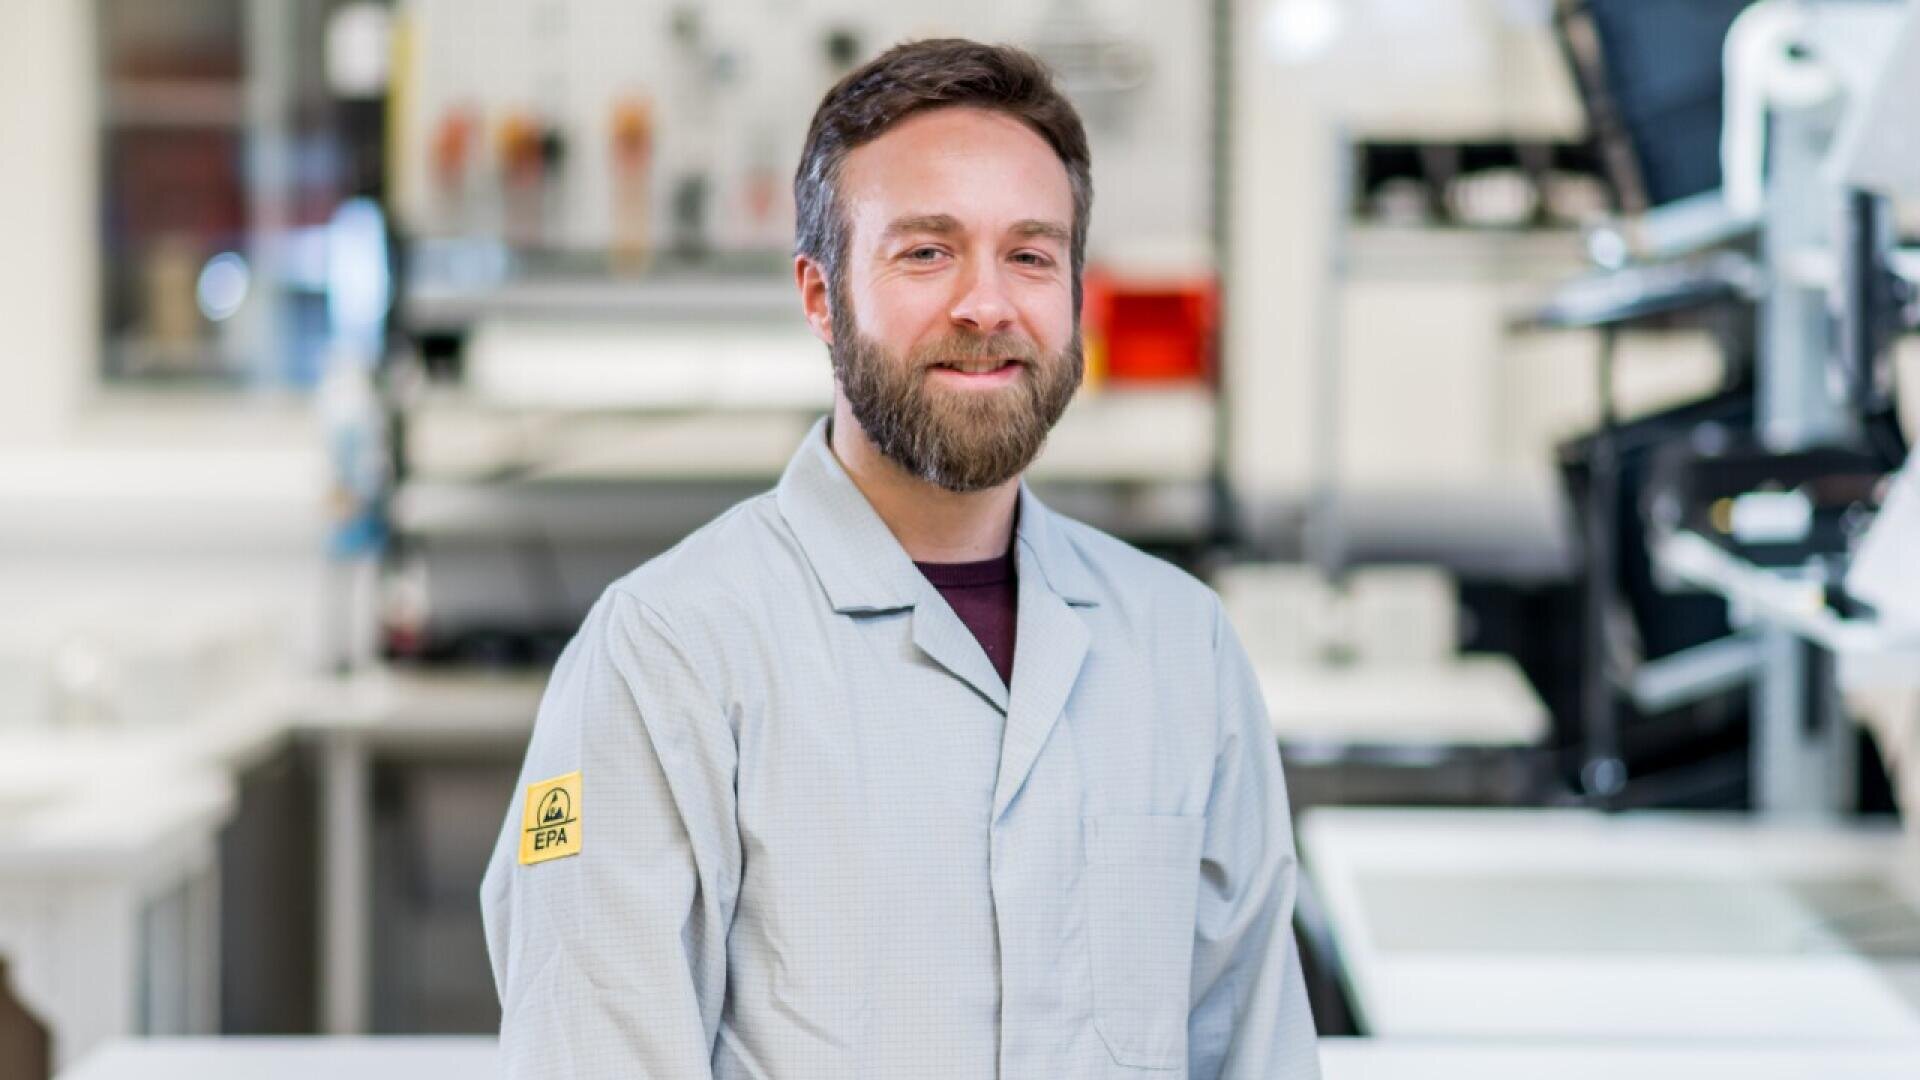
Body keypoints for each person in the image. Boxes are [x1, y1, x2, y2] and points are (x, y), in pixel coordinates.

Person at [481, 37, 1320, 1079]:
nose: (986, 304)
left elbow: (1253, 1048)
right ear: (820, 296)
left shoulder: (1181, 648)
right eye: (926, 252)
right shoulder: (665, 656)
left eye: (1031, 255)